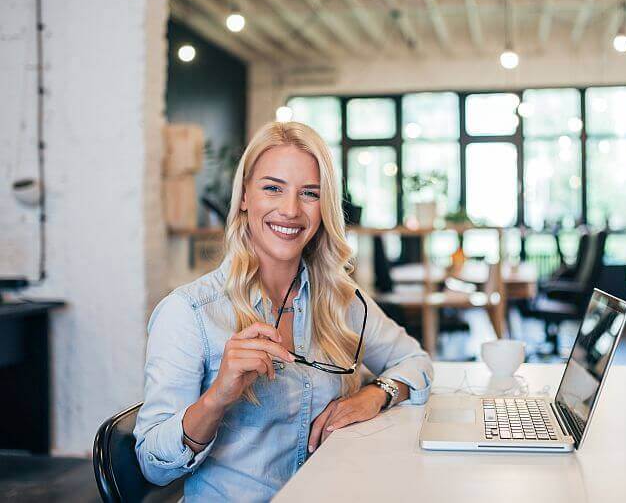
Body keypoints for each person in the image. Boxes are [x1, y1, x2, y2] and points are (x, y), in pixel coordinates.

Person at [134, 121, 433, 501]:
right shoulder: (189, 313)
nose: (290, 210)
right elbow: (152, 466)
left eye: (309, 193)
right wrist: (218, 396)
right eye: (272, 188)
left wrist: (375, 394)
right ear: (245, 196)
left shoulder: (340, 299)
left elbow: (416, 360)